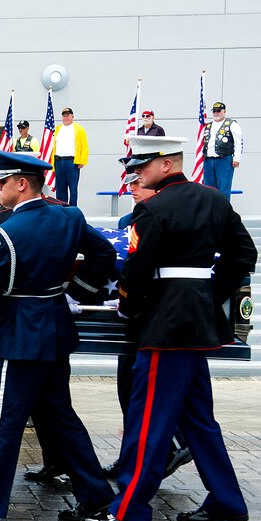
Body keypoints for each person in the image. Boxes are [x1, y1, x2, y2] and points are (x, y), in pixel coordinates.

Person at [82, 135, 256, 521]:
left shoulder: (153, 209)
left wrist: (128, 305)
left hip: (166, 324)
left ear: (166, 164)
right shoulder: (214, 200)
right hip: (197, 319)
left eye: (142, 167)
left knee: (149, 421)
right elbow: (245, 255)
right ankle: (227, 500)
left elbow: (137, 272)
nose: (136, 174)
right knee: (198, 419)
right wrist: (210, 292)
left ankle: (129, 509)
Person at [0, 151, 116, 521]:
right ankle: (96, 496)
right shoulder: (70, 216)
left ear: (22, 184)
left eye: (2, 181)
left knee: (2, 422)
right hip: (55, 328)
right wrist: (76, 292)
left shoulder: (7, 232)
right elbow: (103, 252)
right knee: (62, 418)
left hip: (22, 334)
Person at [103, 167, 193, 482]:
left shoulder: (164, 218)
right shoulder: (127, 222)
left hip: (153, 316)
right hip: (132, 313)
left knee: (147, 394)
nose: (133, 189)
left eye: (139, 184)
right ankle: (133, 455)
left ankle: (166, 449)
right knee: (127, 390)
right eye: (130, 184)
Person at [202, 101, 243, 200]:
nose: (216, 113)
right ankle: (210, 212)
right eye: (214, 111)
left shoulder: (231, 124)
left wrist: (237, 158)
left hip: (224, 160)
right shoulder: (208, 126)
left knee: (224, 188)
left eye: (219, 110)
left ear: (224, 111)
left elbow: (239, 141)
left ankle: (223, 213)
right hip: (208, 160)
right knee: (208, 188)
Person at [49, 107, 88, 206]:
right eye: (64, 116)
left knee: (73, 189)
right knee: (60, 189)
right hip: (59, 161)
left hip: (72, 162)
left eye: (68, 115)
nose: (66, 117)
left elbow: (84, 145)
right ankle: (62, 210)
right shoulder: (57, 129)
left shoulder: (78, 129)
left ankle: (72, 210)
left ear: (72, 116)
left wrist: (82, 161)